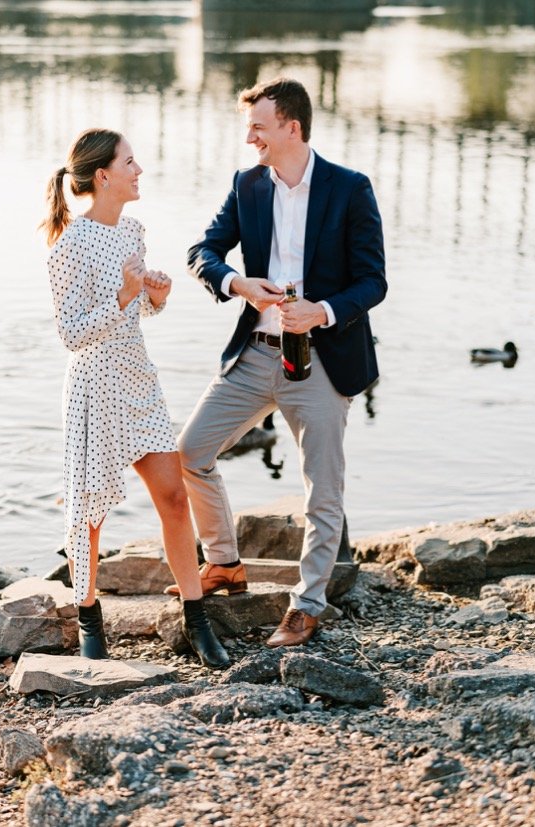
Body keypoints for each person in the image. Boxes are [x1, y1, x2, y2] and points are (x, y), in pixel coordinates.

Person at [178, 78, 387, 647]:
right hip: (254, 355)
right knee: (190, 453)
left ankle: (309, 602)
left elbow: (373, 281)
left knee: (322, 487)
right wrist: (236, 282)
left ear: (291, 127)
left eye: (259, 128)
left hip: (321, 360)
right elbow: (202, 252)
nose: (250, 139)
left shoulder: (349, 189)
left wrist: (320, 311)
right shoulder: (247, 187)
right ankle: (223, 563)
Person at [41, 128, 230, 668]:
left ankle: (197, 622)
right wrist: (124, 296)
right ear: (104, 176)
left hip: (138, 379)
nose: (139, 170)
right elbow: (72, 336)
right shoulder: (67, 246)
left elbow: (136, 314)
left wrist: (155, 299)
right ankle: (88, 617)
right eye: (130, 162)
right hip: (94, 386)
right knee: (90, 509)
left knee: (173, 499)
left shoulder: (134, 232)